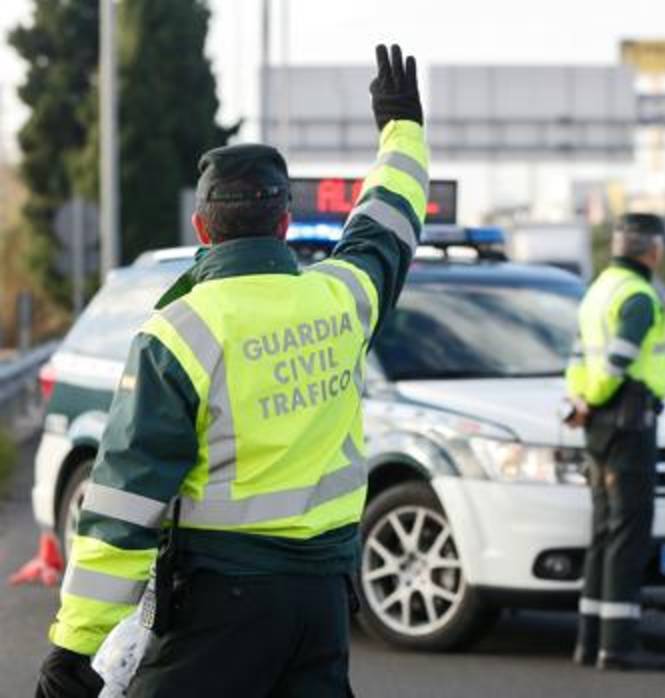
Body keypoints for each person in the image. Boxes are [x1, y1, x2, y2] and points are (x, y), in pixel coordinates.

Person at [35, 44, 428, 698]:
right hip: (323, 603)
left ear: (202, 228)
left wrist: (76, 644)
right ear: (284, 222)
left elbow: (125, 498)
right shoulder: (345, 297)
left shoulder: (180, 331)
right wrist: (402, 131)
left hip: (223, 602)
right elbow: (389, 222)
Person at [563, 213, 665, 672]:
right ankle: (619, 646)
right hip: (628, 422)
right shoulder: (638, 296)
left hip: (597, 424)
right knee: (629, 536)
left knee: (604, 533)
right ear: (653, 249)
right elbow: (618, 361)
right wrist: (595, 396)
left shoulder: (598, 291)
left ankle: (590, 643)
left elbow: (576, 359)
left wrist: (580, 401)